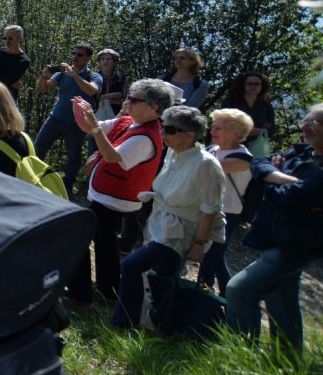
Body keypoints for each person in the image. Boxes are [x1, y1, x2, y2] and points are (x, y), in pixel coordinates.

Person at [110, 105, 225, 328]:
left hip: (182, 230)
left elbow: (211, 208)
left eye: (170, 130)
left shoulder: (206, 164)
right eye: (163, 127)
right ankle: (161, 323)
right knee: (163, 277)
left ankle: (123, 322)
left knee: (131, 266)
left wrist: (199, 244)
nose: (163, 133)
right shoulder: (174, 153)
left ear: (189, 135)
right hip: (162, 223)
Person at [225, 104, 323, 353]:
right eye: (305, 121)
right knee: (281, 301)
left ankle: (240, 353)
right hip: (277, 236)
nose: (303, 127)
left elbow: (293, 197)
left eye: (312, 124)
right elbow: (259, 163)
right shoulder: (302, 153)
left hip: (297, 243)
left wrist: (275, 177)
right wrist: (283, 176)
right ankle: (288, 361)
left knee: (238, 290)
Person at [67, 78, 171, 304]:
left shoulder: (146, 137)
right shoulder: (128, 122)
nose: (127, 102)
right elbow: (90, 128)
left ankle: (82, 292)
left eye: (134, 99)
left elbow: (115, 157)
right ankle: (108, 288)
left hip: (116, 198)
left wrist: (94, 127)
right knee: (104, 242)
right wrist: (81, 112)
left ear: (154, 106)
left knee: (81, 236)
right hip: (108, 194)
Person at [196, 109, 255, 295]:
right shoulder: (212, 149)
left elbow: (207, 170)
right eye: (213, 126)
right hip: (207, 209)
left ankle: (207, 296)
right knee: (213, 257)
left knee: (211, 257)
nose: (212, 130)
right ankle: (221, 297)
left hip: (228, 213)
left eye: (218, 127)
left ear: (236, 133)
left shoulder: (242, 158)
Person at [33, 42, 102, 193]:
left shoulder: (94, 76)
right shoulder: (62, 73)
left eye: (79, 55)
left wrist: (74, 75)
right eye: (74, 53)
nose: (75, 57)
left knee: (73, 157)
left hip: (76, 123)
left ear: (88, 58)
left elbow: (92, 91)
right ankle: (33, 177)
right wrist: (44, 76)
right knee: (38, 147)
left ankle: (67, 186)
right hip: (55, 118)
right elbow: (43, 89)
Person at [221, 72, 276, 157]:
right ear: (244, 85)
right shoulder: (231, 101)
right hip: (232, 145)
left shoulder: (266, 105)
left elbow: (272, 128)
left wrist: (260, 131)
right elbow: (222, 121)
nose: (253, 86)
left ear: (261, 87)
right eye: (249, 83)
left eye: (257, 84)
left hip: (256, 147)